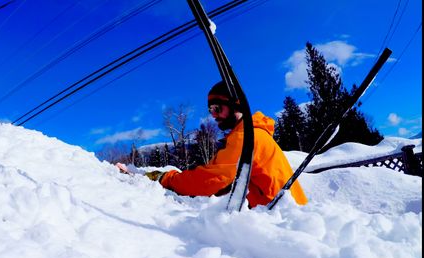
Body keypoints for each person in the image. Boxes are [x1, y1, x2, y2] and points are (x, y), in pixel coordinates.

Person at [125, 80, 308, 208]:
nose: (213, 114)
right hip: (289, 218)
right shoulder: (253, 133)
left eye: (217, 108)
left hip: (282, 222)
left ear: (236, 105)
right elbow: (219, 176)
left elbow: (211, 181)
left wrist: (165, 179)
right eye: (210, 109)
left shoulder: (245, 137)